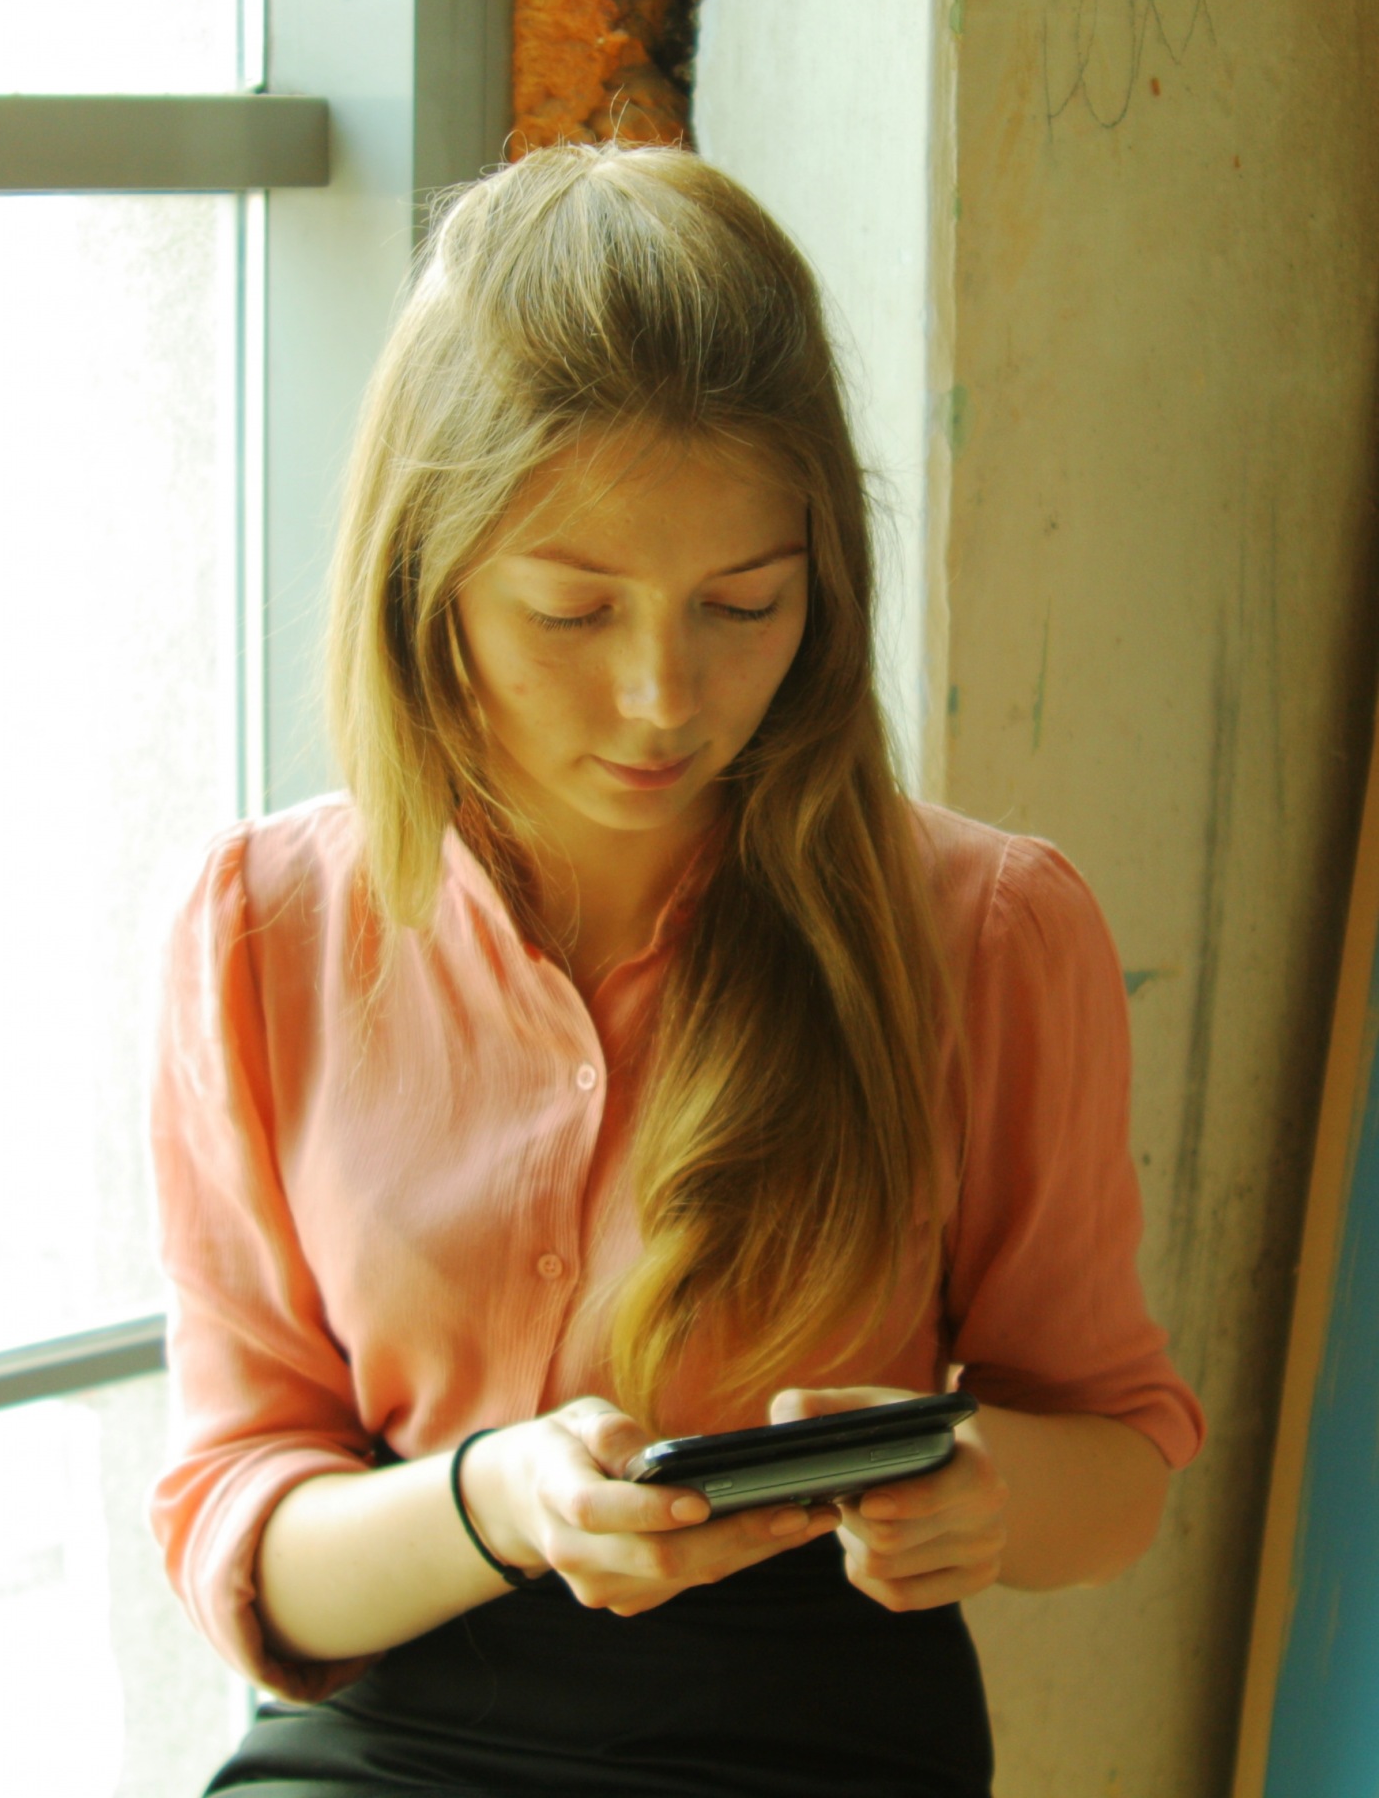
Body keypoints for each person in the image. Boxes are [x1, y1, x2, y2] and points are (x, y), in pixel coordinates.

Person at [147, 143, 1203, 1797]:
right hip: (401, 1715)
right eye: (573, 614)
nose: (664, 696)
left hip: (816, 1731)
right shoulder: (259, 927)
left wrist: (985, 1491)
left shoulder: (986, 932)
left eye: (743, 605)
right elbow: (245, 1531)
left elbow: (1118, 1461)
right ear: (427, 586)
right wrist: (498, 1501)